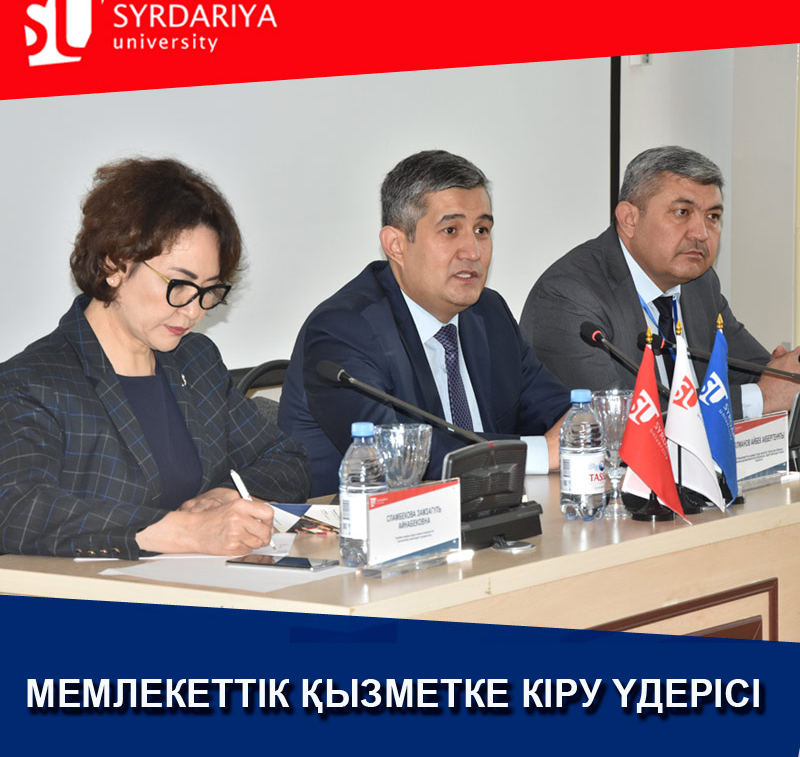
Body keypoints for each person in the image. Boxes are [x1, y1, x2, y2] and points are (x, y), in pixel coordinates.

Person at [0, 158, 311, 559]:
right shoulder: (32, 382)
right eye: (179, 284)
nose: (194, 310)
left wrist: (226, 495)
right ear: (115, 263)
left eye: (209, 290)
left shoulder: (196, 362)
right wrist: (182, 532)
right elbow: (19, 509)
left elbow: (286, 459)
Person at [279, 149, 571, 495]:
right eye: (450, 230)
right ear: (396, 245)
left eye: (481, 230)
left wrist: (583, 427)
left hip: (487, 512)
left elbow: (562, 412)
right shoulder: (344, 329)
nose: (473, 252)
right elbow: (394, 457)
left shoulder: (488, 313)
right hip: (359, 523)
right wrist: (540, 452)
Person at [521, 145, 800, 418]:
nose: (701, 233)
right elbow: (619, 422)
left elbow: (755, 371)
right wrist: (761, 398)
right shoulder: (568, 297)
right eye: (682, 212)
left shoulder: (699, 282)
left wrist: (784, 373)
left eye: (713, 217)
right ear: (629, 219)